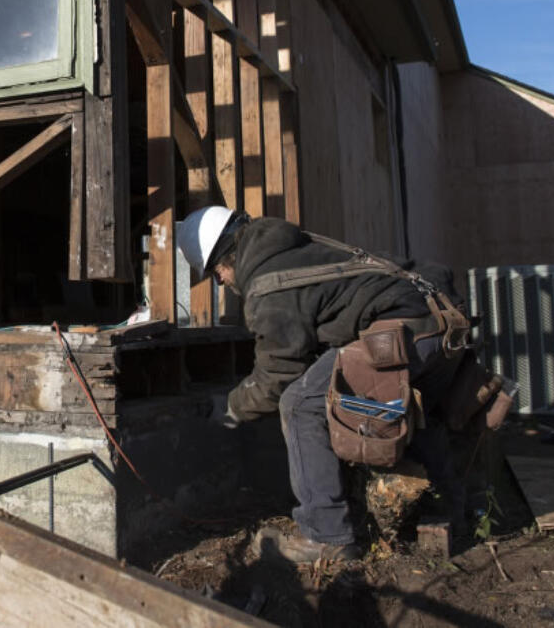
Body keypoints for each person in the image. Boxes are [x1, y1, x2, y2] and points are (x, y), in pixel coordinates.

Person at [176, 206, 467, 563]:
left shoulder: (268, 287)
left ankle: (326, 535)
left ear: (226, 257)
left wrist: (232, 408)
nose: (220, 282)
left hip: (405, 330)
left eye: (215, 272)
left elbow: (276, 376)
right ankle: (453, 509)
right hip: (444, 321)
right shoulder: (291, 246)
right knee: (418, 411)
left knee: (299, 404)